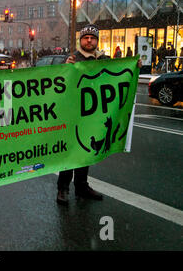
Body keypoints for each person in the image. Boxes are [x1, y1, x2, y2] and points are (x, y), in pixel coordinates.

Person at [56, 24, 141, 206]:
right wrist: (64, 68)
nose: (89, 40)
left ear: (96, 41)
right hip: (74, 114)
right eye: (85, 37)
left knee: (86, 151)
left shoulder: (104, 59)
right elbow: (59, 82)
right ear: (81, 40)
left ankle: (81, 186)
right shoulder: (71, 59)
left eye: (92, 38)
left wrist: (135, 66)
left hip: (93, 115)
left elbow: (119, 73)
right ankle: (63, 188)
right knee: (69, 152)